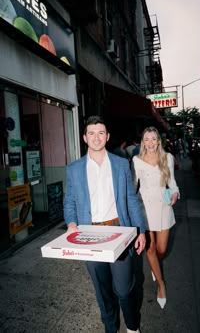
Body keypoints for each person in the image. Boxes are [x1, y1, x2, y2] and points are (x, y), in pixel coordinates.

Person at [64, 115, 146, 333]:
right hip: (89, 234)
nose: (96, 137)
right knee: (102, 290)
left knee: (124, 288)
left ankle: (132, 327)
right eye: (91, 133)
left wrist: (141, 231)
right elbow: (70, 201)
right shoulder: (74, 169)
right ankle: (111, 328)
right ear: (84, 137)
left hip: (119, 230)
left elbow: (131, 199)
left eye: (101, 132)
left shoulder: (120, 164)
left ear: (107, 136)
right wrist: (72, 224)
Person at [132, 126, 179, 309]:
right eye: (147, 139)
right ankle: (161, 284)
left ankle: (155, 265)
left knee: (161, 250)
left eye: (153, 139)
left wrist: (175, 194)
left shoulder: (167, 158)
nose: (150, 143)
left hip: (164, 208)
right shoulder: (136, 160)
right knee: (150, 249)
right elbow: (133, 187)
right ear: (142, 142)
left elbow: (172, 183)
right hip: (145, 210)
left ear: (158, 141)